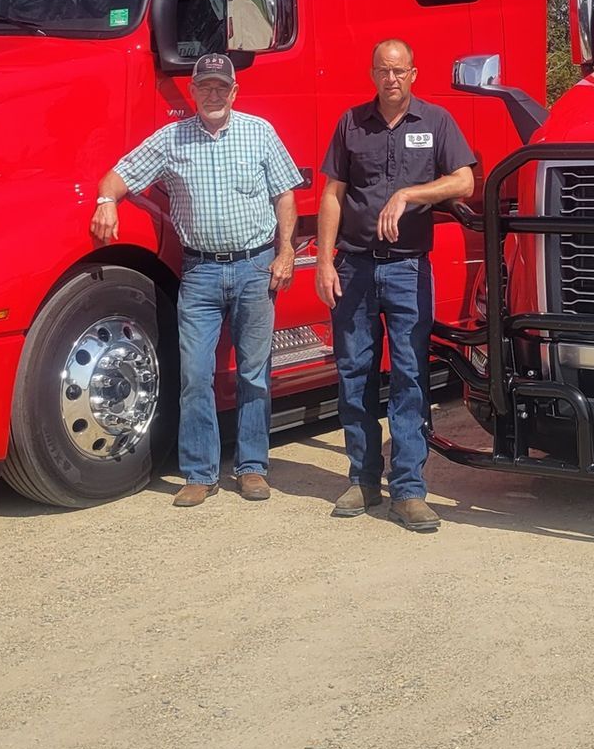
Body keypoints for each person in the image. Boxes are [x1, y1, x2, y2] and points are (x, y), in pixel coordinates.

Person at [91, 53, 302, 507]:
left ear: (234, 92)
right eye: (204, 86)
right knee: (194, 375)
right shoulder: (171, 139)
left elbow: (285, 195)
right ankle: (200, 473)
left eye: (220, 87)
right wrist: (106, 200)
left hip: (254, 268)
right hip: (201, 273)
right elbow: (119, 174)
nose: (212, 94)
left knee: (254, 374)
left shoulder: (260, 133)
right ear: (192, 92)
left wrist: (286, 252)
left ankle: (251, 468)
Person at [315, 39, 475, 533]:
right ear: (372, 75)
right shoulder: (351, 123)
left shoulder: (436, 122)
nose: (392, 79)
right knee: (355, 375)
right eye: (383, 70)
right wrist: (324, 262)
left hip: (408, 269)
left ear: (414, 74)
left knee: (409, 376)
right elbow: (332, 195)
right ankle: (362, 480)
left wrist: (409, 192)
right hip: (355, 268)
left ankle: (408, 490)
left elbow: (465, 181)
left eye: (400, 70)